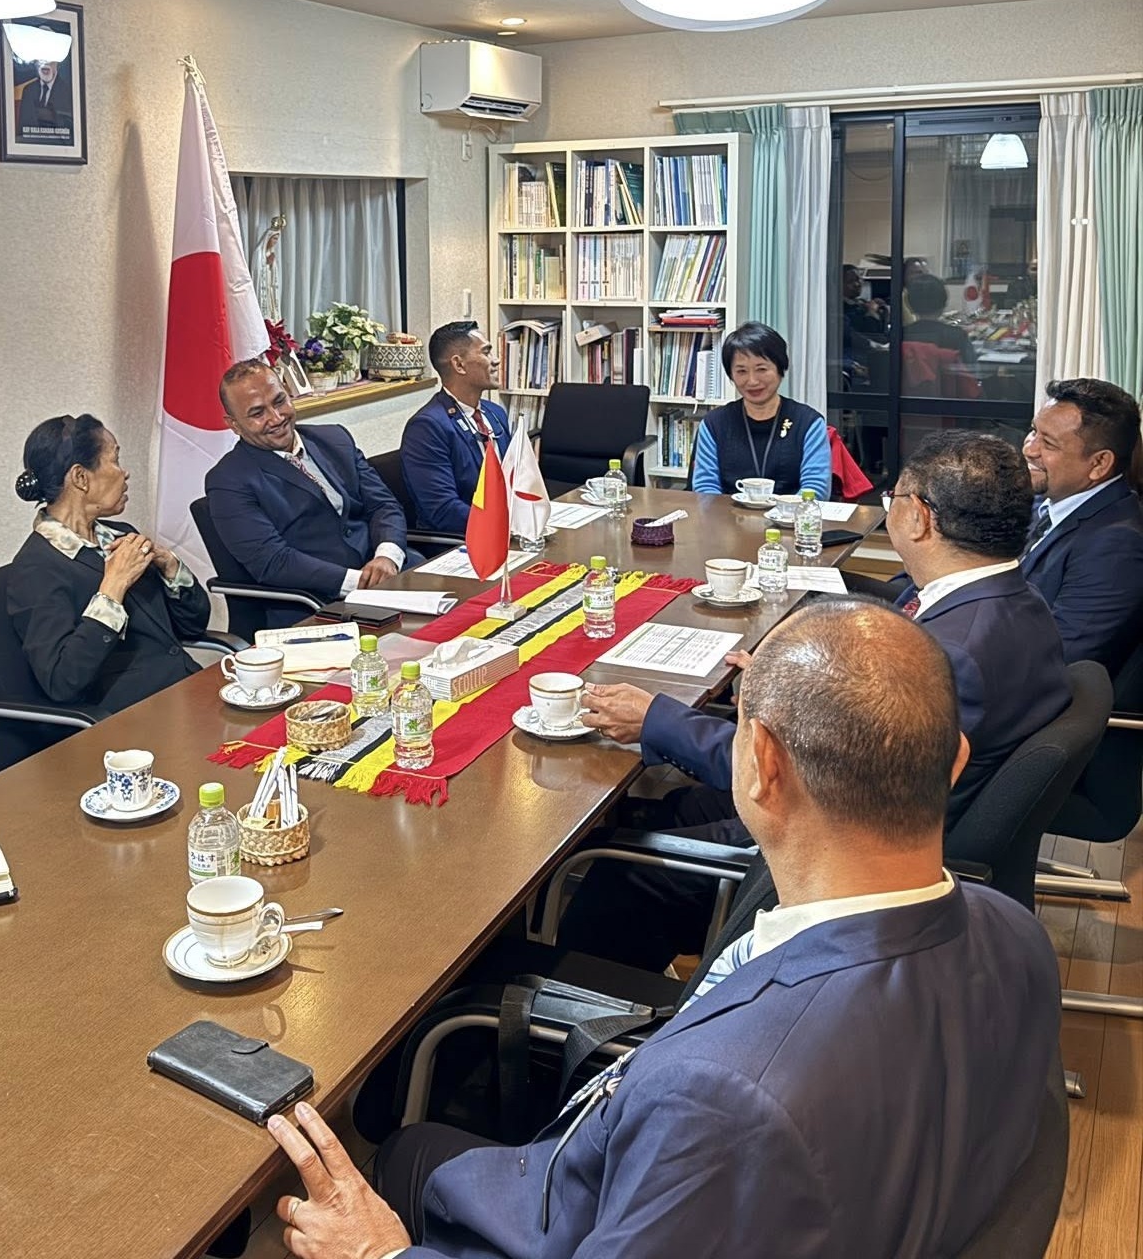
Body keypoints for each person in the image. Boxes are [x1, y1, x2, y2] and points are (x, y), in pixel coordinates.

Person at [264, 601, 1062, 1259]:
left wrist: (379, 1253)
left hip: (582, 1198)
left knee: (401, 1154)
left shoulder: (729, 1098)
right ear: (954, 760)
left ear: (761, 765)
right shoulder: (1013, 930)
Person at [565, 430, 1070, 971]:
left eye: (893, 497)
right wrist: (793, 684)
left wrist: (655, 718)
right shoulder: (1014, 601)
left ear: (920, 518)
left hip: (840, 854)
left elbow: (802, 779)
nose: (889, 508)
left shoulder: (952, 654)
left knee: (618, 875)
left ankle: (583, 1021)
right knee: (668, 807)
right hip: (883, 809)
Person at [8, 415, 209, 715]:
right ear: (80, 477)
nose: (124, 472)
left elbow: (193, 625)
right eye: (114, 459)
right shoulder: (35, 568)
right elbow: (62, 680)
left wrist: (170, 567)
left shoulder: (120, 534)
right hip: (130, 716)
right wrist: (113, 588)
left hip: (183, 689)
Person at [207, 360, 412, 627]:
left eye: (279, 401)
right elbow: (273, 562)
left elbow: (384, 506)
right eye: (258, 413)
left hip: (390, 575)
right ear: (234, 425)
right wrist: (359, 582)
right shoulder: (228, 480)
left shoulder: (334, 439)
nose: (276, 418)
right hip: (316, 604)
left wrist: (387, 556)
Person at [1021, 377, 1143, 677]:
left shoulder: (1117, 545)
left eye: (1048, 443)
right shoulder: (1041, 501)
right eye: (1033, 431)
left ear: (1099, 463)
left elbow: (1057, 656)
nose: (1029, 449)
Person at [689, 322, 831, 498]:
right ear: (731, 375)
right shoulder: (714, 424)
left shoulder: (808, 423)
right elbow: (705, 487)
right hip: (729, 521)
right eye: (741, 371)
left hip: (791, 521)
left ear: (781, 368)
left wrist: (781, 514)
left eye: (761, 369)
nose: (752, 381)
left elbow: (815, 488)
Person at [399, 322, 511, 534]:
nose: (496, 360)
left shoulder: (495, 413)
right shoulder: (427, 427)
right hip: (462, 539)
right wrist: (504, 525)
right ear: (459, 365)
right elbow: (443, 510)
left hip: (507, 528)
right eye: (486, 352)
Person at [17, 42, 73, 141]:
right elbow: (22, 131)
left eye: (50, 58)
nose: (45, 63)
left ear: (57, 62)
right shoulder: (28, 90)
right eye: (41, 59)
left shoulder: (69, 92)